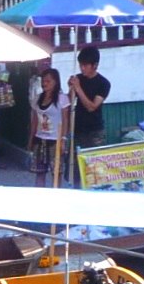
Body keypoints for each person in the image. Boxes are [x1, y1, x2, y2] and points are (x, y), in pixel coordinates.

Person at [67, 45, 110, 184]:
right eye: (81, 65)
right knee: (75, 169)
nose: (82, 68)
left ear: (95, 65)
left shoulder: (103, 83)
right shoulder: (78, 79)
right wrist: (71, 89)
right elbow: (69, 101)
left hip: (95, 131)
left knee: (95, 169)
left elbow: (92, 107)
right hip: (78, 129)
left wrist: (78, 88)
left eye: (85, 65)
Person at [30, 68, 69, 188]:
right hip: (40, 139)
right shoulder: (37, 98)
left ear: (56, 82)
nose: (44, 83)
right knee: (39, 173)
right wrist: (31, 139)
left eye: (48, 81)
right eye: (43, 81)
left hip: (55, 141)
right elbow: (35, 120)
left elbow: (65, 120)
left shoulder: (62, 99)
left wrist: (63, 139)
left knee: (56, 173)